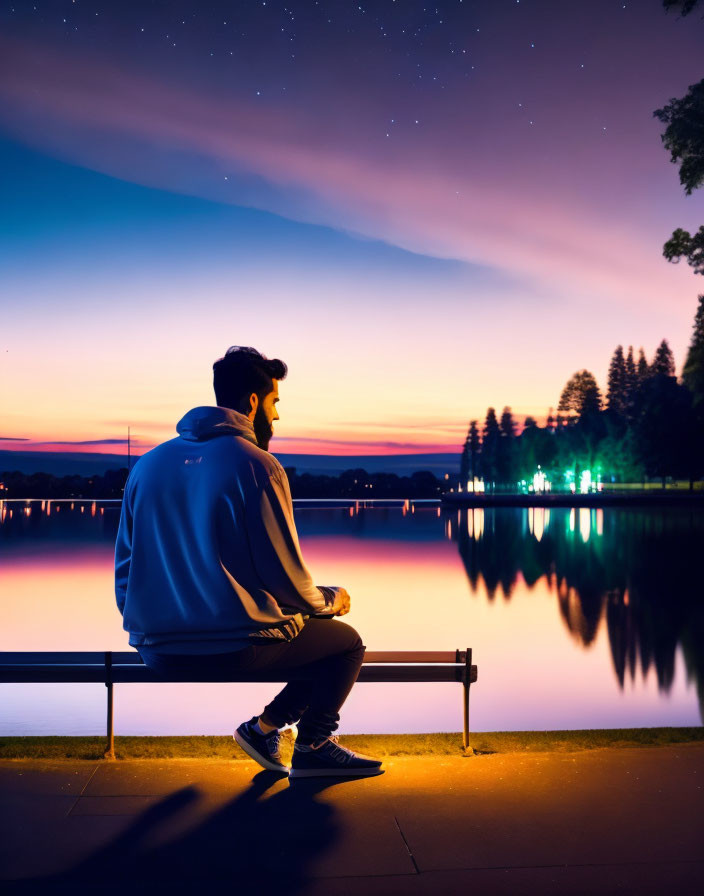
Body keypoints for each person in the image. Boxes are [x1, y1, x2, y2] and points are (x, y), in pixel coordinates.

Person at [114, 346, 382, 778]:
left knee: (307, 632)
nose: (276, 417)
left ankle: (266, 730)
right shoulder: (258, 467)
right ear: (253, 402)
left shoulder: (146, 467)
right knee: (343, 644)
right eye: (275, 403)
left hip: (157, 651)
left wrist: (149, 622)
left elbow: (125, 570)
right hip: (234, 649)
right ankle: (311, 742)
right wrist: (329, 599)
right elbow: (284, 575)